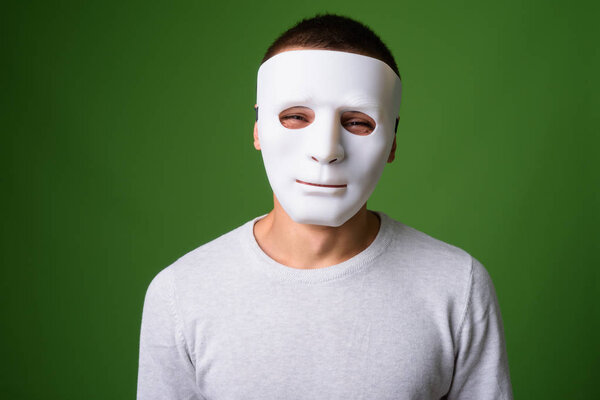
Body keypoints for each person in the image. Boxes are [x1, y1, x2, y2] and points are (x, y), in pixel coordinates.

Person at [137, 14, 513, 400]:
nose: (326, 151)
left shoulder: (456, 286)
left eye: (358, 122)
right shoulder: (181, 294)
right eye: (296, 117)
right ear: (257, 129)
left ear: (393, 144)